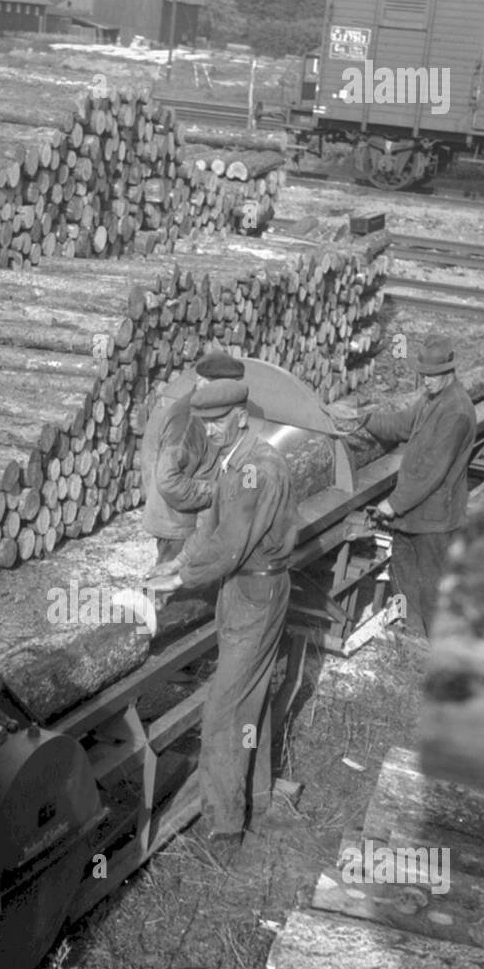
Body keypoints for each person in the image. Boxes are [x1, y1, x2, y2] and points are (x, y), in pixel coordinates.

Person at [145, 379, 297, 852]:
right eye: (204, 422)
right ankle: (257, 796)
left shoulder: (258, 470)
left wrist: (181, 579)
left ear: (242, 417)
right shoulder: (233, 464)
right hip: (241, 589)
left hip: (257, 588)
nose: (209, 431)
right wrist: (177, 562)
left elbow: (229, 547)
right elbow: (210, 529)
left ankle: (226, 824)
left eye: (217, 421)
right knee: (248, 695)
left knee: (224, 709)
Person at [360, 336, 477, 641]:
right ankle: (413, 642)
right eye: (422, 375)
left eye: (431, 376)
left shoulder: (456, 411)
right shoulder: (431, 400)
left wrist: (392, 504)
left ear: (448, 372)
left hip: (434, 520)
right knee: (405, 581)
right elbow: (400, 425)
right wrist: (366, 419)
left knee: (432, 590)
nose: (425, 381)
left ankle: (433, 652)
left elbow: (430, 471)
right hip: (413, 516)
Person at [141, 351, 245, 565]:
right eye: (227, 387)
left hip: (190, 519)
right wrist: (216, 490)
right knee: (168, 579)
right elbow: (169, 481)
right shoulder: (187, 422)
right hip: (178, 523)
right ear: (203, 382)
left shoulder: (207, 411)